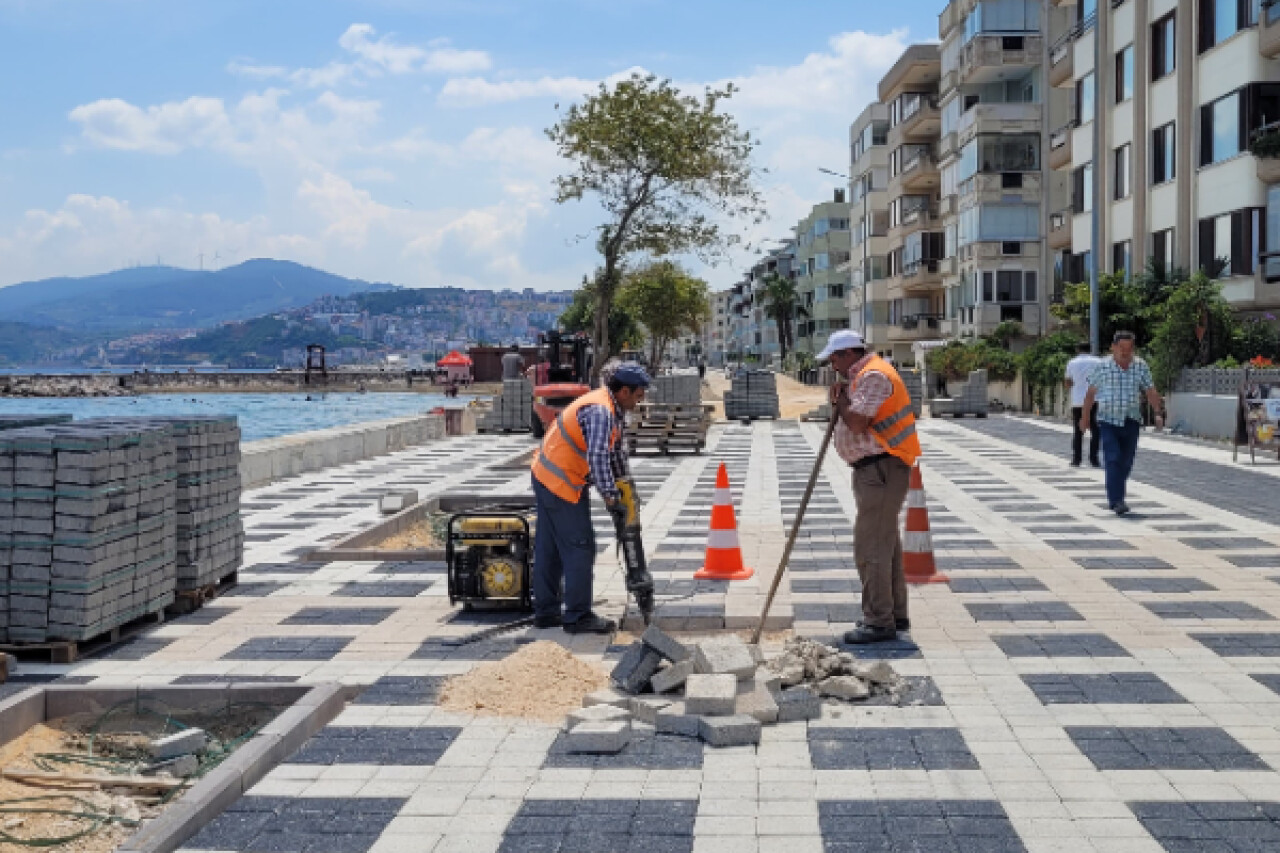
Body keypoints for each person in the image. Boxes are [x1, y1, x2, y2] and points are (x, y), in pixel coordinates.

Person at [530, 361, 650, 634]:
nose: (642, 397)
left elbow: (616, 455)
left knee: (550, 549)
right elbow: (598, 457)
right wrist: (610, 496)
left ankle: (546, 613)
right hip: (560, 481)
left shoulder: (613, 409)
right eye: (639, 392)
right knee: (580, 546)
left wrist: (626, 490)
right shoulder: (601, 412)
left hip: (547, 475)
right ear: (624, 391)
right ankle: (577, 616)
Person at [821, 330, 922, 645]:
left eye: (834, 357)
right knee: (885, 546)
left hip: (882, 468)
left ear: (850, 352)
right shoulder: (863, 375)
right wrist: (842, 396)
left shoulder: (874, 375)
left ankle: (879, 621)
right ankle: (894, 613)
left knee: (872, 548)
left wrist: (843, 400)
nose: (832, 364)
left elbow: (858, 423)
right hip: (876, 469)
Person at [1079, 331, 1164, 515]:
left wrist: (1157, 412)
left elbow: (1150, 390)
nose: (1125, 352)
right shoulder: (1103, 366)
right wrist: (1085, 418)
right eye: (1121, 348)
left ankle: (1116, 489)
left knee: (1126, 461)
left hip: (1131, 420)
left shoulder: (1140, 366)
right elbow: (1091, 393)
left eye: (1129, 348)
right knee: (1113, 458)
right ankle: (1117, 500)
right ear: (1113, 347)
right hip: (1108, 420)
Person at [1064, 342, 1102, 467]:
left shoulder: (1072, 363)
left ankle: (1077, 459)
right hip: (1094, 400)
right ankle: (1094, 459)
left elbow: (1068, 383)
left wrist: (1076, 384)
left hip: (1078, 401)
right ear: (1090, 349)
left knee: (1078, 430)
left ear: (1078, 349)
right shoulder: (1098, 362)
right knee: (1095, 430)